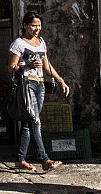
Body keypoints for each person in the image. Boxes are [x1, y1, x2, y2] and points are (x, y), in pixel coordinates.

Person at [7, 11, 70, 173]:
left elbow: (47, 65)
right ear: (25, 25)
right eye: (33, 25)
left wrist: (60, 80)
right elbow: (11, 68)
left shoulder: (41, 42)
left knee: (29, 123)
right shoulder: (18, 44)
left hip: (40, 85)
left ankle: (20, 159)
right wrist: (27, 66)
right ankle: (44, 159)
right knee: (35, 121)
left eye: (39, 26)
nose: (37, 29)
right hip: (26, 84)